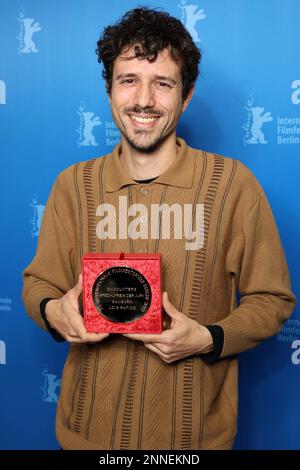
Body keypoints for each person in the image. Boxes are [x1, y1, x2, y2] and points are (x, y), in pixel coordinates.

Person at [22, 7, 296, 450]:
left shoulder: (232, 186)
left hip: (192, 441)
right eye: (129, 79)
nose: (144, 99)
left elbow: (273, 299)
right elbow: (39, 283)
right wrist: (55, 313)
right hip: (85, 436)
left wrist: (209, 338)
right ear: (109, 90)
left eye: (162, 83)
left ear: (185, 96)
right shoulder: (73, 185)